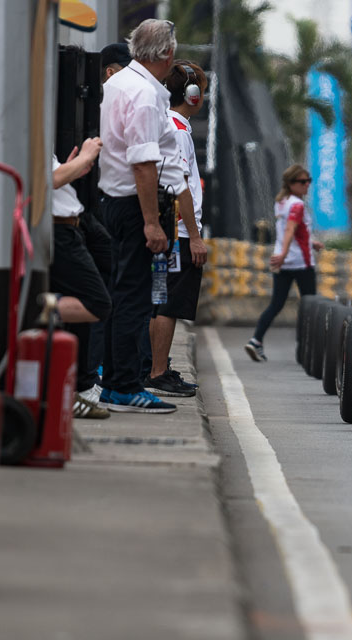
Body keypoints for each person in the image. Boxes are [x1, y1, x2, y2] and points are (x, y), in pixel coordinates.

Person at [98, 19, 189, 413]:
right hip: (135, 206)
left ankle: (114, 380)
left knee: (120, 295)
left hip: (110, 201)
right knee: (134, 298)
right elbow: (144, 163)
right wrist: (152, 222)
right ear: (167, 54)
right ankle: (122, 386)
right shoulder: (145, 95)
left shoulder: (117, 83)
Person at [145, 60, 210, 397]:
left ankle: (155, 366)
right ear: (193, 95)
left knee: (159, 300)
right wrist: (195, 237)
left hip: (170, 229)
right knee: (169, 304)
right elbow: (180, 185)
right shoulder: (179, 130)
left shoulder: (165, 123)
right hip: (180, 233)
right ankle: (157, 372)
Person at [50, 140, 112, 419]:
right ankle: (34, 308)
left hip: (69, 228)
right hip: (59, 230)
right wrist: (83, 157)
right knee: (97, 303)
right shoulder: (17, 130)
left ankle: (74, 390)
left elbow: (55, 176)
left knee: (82, 314)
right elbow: (49, 180)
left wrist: (74, 167)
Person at [246, 164, 323, 361]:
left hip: (282, 260)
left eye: (308, 181)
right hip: (300, 262)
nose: (307, 185)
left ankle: (256, 340)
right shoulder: (297, 204)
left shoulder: (281, 202)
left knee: (276, 304)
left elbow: (292, 231)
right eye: (302, 182)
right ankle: (306, 350)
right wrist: (286, 254)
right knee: (309, 306)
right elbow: (289, 230)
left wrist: (310, 242)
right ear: (291, 184)